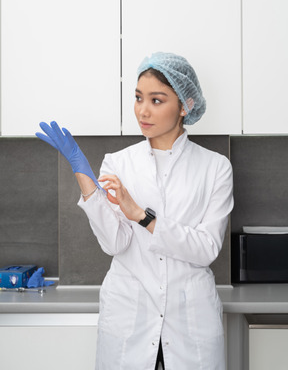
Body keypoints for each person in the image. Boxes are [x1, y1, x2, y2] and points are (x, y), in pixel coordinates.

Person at [36, 52, 233, 370]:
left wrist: (143, 216)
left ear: (185, 106)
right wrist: (83, 177)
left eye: (157, 100)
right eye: (139, 97)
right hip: (129, 318)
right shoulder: (119, 162)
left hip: (190, 322)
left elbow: (205, 249)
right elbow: (114, 244)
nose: (142, 110)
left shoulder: (215, 168)